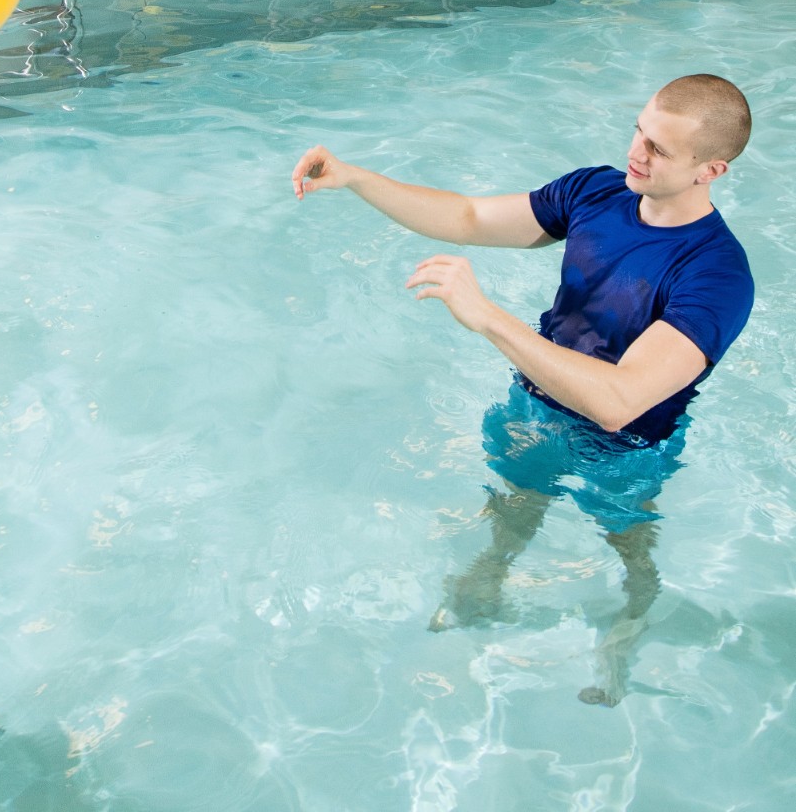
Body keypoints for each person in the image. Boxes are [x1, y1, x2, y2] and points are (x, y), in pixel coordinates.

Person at [291, 73, 754, 706]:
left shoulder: (717, 274)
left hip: (626, 449)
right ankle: (491, 572)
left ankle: (631, 621)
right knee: (514, 503)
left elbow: (621, 402)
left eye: (660, 150)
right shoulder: (598, 192)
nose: (636, 154)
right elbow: (467, 215)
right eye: (639, 132)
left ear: (712, 169)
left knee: (628, 541)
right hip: (536, 400)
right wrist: (357, 178)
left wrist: (486, 316)